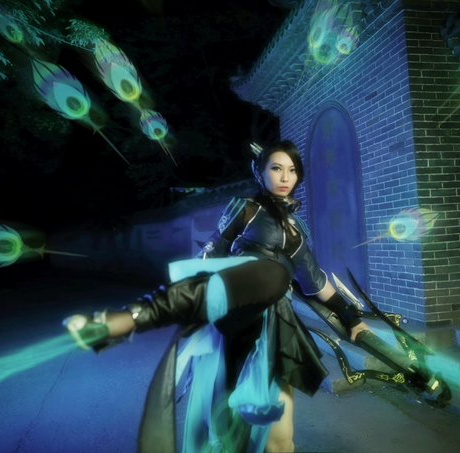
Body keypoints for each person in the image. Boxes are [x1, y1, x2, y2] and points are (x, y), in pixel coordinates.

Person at [64, 140, 370, 452]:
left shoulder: (297, 231)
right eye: (276, 168)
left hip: (276, 324)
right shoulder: (245, 210)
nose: (284, 177)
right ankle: (127, 319)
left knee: (280, 439)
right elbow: (211, 253)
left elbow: (316, 282)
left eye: (292, 170)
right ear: (260, 172)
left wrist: (352, 317)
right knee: (225, 428)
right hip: (236, 311)